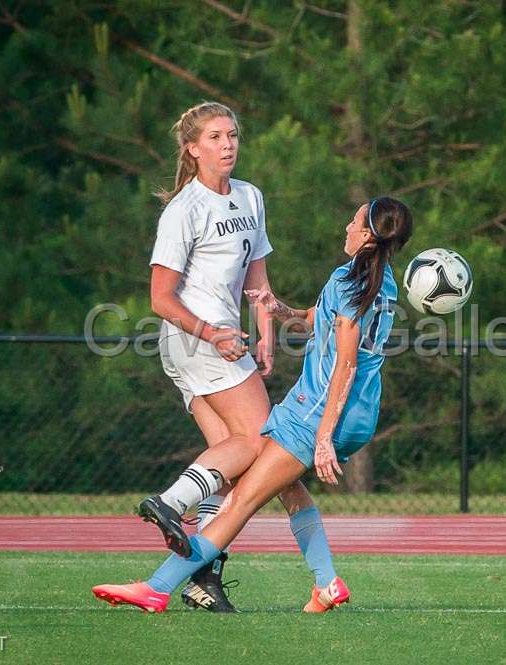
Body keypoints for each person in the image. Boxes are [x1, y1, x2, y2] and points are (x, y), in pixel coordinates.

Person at [93, 195, 413, 613]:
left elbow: (345, 364)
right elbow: (315, 318)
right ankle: (326, 582)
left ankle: (157, 587)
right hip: (360, 413)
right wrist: (277, 308)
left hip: (318, 410)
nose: (346, 228)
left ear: (368, 234)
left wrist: (322, 437)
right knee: (288, 487)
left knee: (241, 500)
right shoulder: (379, 280)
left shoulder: (348, 280)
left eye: (353, 222)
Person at [143, 101, 340, 612]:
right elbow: (160, 299)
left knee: (232, 462)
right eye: (214, 137)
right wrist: (213, 333)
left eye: (232, 135)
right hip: (195, 340)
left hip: (221, 342)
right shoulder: (183, 209)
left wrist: (266, 334)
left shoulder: (250, 197)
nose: (227, 144)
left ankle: (203, 578)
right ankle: (170, 502)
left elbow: (257, 284)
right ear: (192, 148)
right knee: (259, 443)